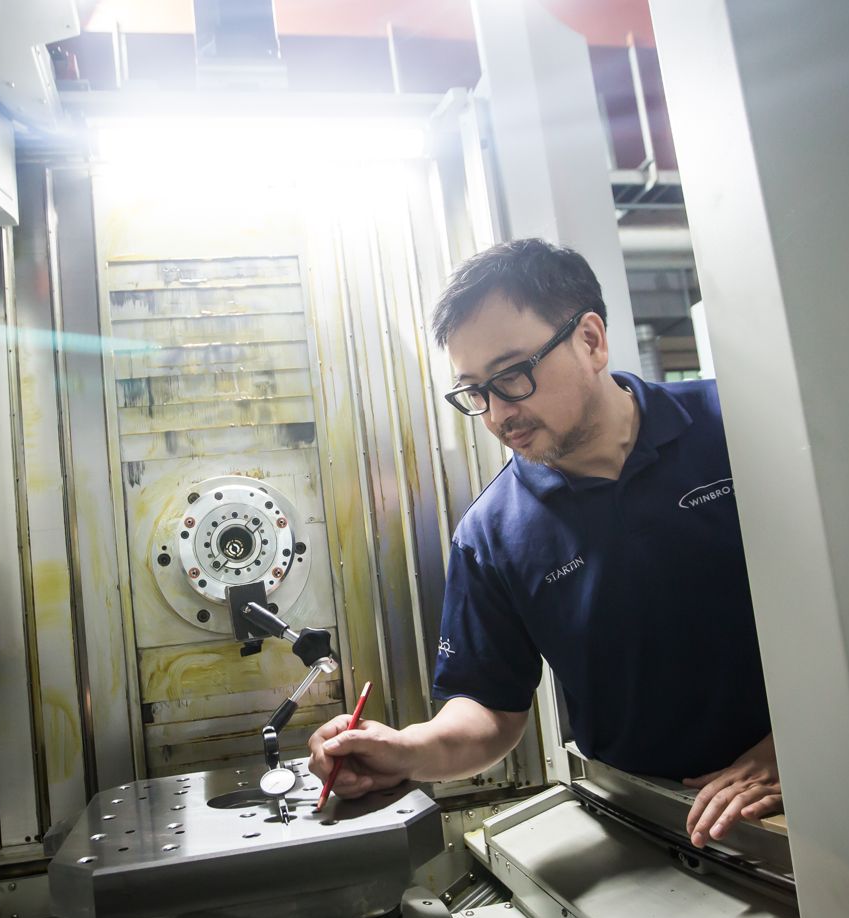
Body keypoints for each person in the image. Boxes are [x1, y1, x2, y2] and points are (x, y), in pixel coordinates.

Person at [307, 239, 779, 847]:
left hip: (828, 775)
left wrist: (798, 744)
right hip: (646, 822)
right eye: (476, 391)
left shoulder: (737, 422)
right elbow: (490, 709)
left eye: (511, 376)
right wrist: (406, 750)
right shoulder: (492, 534)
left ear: (591, 340)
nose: (497, 415)